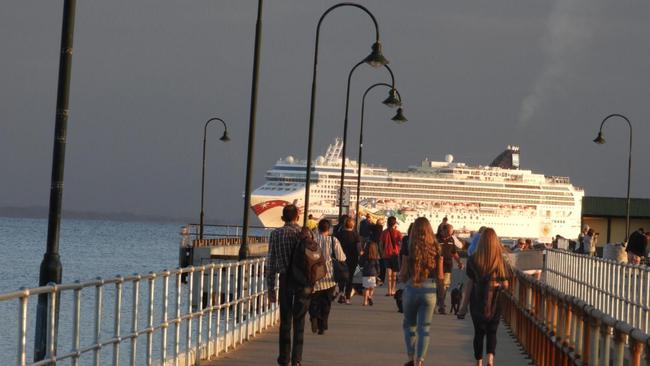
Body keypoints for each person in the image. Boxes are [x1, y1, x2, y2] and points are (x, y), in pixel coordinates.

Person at [458, 228, 510, 366]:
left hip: (477, 299)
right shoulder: (500, 260)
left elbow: (469, 284)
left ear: (481, 241)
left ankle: (479, 362)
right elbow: (505, 284)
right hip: (495, 300)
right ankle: (491, 359)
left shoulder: (473, 259)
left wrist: (463, 307)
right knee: (492, 331)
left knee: (479, 332)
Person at [265, 204, 309, 366]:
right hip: (303, 281)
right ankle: (297, 359)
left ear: (283, 218)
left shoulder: (276, 234)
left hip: (285, 280)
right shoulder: (304, 233)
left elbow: (271, 262)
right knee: (300, 320)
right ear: (297, 217)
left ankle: (284, 358)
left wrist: (270, 289)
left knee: (285, 321)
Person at [398, 217, 444, 366]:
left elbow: (403, 274)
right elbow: (440, 276)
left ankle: (411, 358)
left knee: (409, 325)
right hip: (430, 289)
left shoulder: (407, 245)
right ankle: (420, 361)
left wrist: (403, 277)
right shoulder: (437, 247)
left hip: (412, 287)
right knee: (424, 328)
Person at [309, 219, 346, 335]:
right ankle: (323, 324)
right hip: (329, 276)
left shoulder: (312, 240)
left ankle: (314, 317)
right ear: (328, 229)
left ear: (318, 228)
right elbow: (341, 257)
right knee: (326, 302)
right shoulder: (333, 240)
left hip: (313, 276)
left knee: (313, 300)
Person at [436, 223, 463, 314]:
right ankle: (440, 304)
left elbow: (454, 252)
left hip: (448, 265)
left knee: (445, 285)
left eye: (451, 233)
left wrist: (459, 262)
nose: (449, 235)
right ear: (442, 230)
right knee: (439, 285)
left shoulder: (451, 239)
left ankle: (441, 304)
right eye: (448, 233)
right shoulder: (436, 239)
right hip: (437, 265)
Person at [335, 217, 362, 304]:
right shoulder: (355, 235)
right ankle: (347, 298)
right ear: (353, 225)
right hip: (352, 259)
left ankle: (341, 293)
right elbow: (358, 247)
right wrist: (361, 253)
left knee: (342, 276)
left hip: (341, 258)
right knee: (350, 278)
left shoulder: (339, 234)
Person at [381, 216, 402, 296]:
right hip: (395, 254)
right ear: (394, 223)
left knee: (388, 273)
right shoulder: (398, 232)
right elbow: (400, 243)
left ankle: (389, 290)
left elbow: (381, 243)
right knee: (394, 274)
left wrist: (382, 252)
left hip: (386, 254)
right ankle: (393, 290)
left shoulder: (384, 232)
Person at [359, 241, 381, 306]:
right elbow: (377, 265)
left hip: (365, 273)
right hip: (373, 273)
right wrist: (378, 272)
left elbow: (360, 263)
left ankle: (365, 301)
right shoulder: (375, 256)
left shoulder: (364, 256)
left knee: (366, 288)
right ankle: (370, 296)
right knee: (372, 287)